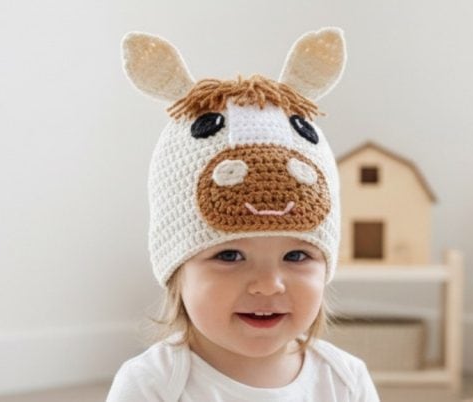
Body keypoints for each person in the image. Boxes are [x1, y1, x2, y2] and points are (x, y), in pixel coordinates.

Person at [109, 27, 380, 401]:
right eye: (229, 255)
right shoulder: (151, 386)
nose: (269, 284)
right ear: (177, 270)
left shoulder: (344, 381)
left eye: (297, 255)